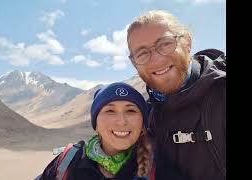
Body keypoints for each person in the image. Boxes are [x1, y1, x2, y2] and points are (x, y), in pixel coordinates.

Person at [126, 10, 226, 180]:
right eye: (142, 53)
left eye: (165, 44)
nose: (156, 59)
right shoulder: (144, 116)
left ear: (187, 42)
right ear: (134, 63)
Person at [38, 82, 153, 180]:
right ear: (96, 124)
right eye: (110, 111)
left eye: (131, 111)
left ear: (143, 124)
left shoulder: (159, 167)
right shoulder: (68, 162)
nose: (121, 121)